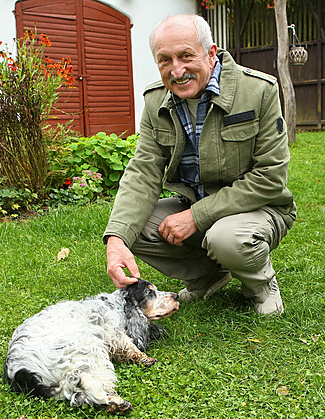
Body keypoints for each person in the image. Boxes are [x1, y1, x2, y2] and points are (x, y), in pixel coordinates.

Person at [103, 14, 296, 315]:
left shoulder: (259, 90)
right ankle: (208, 277)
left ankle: (261, 286)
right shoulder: (156, 102)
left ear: (210, 52)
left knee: (226, 238)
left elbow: (269, 179)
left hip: (259, 208)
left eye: (185, 56)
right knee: (133, 226)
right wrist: (116, 239)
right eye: (164, 60)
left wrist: (195, 215)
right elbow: (143, 171)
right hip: (194, 204)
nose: (177, 70)